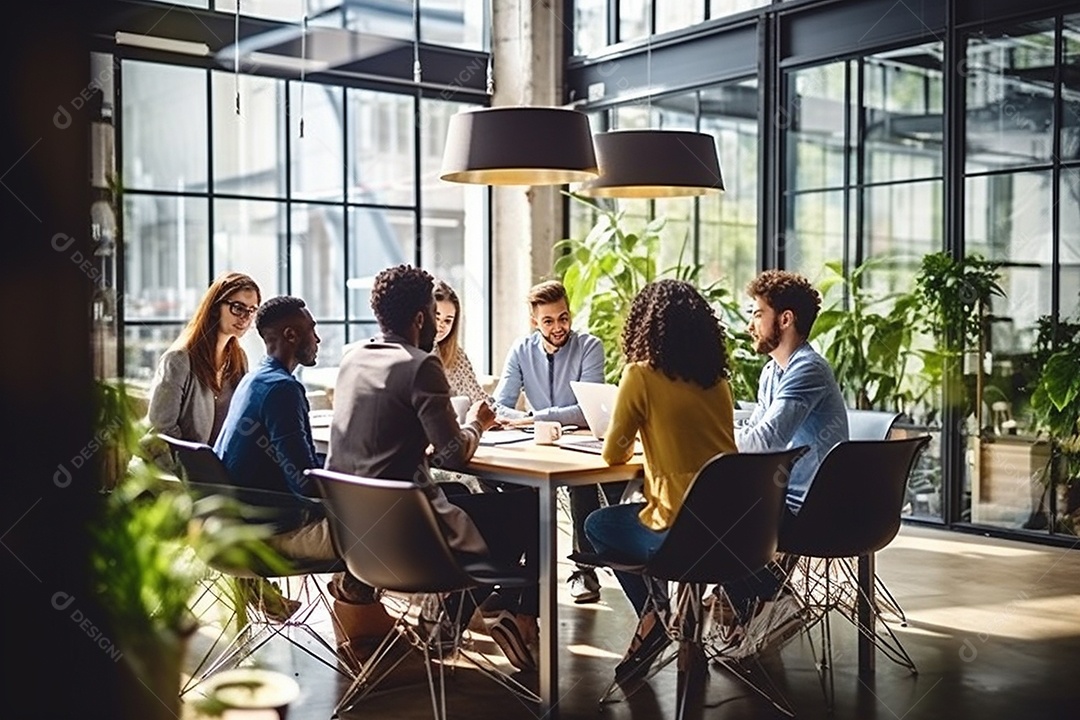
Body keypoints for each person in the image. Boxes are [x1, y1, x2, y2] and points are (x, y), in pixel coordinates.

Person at [328, 264, 541, 671]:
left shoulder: (353, 358)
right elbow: (452, 455)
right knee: (530, 506)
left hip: (357, 536)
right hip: (410, 542)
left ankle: (451, 622)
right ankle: (494, 617)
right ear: (421, 317)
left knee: (461, 496)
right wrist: (477, 423)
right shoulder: (421, 364)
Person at [583, 280, 737, 683]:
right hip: (732, 525)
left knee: (599, 524)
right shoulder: (718, 382)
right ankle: (682, 635)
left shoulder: (640, 375)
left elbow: (613, 454)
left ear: (645, 326)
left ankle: (655, 613)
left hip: (678, 528)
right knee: (644, 518)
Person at [213, 296, 377, 613]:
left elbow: (296, 468)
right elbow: (304, 482)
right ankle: (368, 627)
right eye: (312, 330)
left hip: (240, 526)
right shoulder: (283, 390)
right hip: (275, 533)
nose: (317, 338)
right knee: (393, 523)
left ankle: (357, 608)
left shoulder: (254, 380)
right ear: (291, 335)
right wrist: (364, 478)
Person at [720, 269, 849, 622]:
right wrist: (719, 430)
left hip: (814, 508)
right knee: (709, 502)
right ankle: (758, 608)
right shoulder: (773, 371)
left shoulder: (809, 369)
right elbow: (753, 430)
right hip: (783, 495)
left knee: (709, 511)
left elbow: (764, 441)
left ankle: (769, 599)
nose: (751, 324)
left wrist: (707, 435)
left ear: (785, 319)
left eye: (758, 313)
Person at [491, 279, 617, 604]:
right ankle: (524, 574)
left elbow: (584, 410)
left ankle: (583, 570)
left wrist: (532, 417)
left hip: (579, 444)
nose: (558, 327)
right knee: (517, 488)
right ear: (535, 321)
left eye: (563, 318)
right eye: (548, 321)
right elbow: (500, 403)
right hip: (537, 444)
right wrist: (523, 421)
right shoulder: (521, 350)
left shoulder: (589, 346)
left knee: (582, 484)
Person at [143, 272, 260, 465]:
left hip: (219, 467)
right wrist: (198, 469)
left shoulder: (239, 359)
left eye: (252, 310)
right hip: (173, 469)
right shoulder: (178, 360)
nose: (245, 317)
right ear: (215, 308)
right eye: (238, 308)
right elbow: (161, 430)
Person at [434, 279, 490, 404]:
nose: (441, 325)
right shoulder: (409, 354)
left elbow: (478, 398)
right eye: (436, 318)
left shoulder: (456, 355)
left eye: (447, 320)